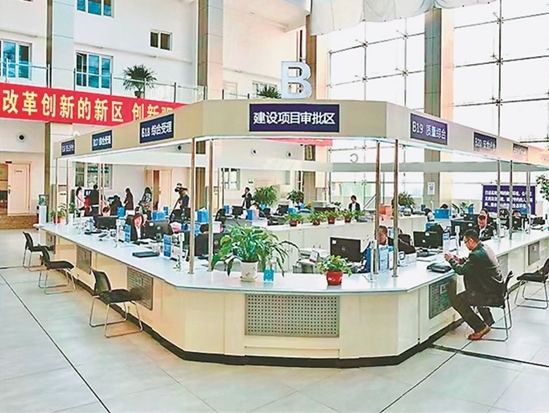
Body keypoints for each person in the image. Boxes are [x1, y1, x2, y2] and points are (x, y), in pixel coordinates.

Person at [444, 229, 504, 341]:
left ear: (471, 240)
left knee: (458, 300)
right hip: (496, 289)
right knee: (474, 291)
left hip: (489, 293)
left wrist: (451, 260)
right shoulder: (484, 248)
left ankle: (480, 327)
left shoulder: (475, 255)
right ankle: (488, 321)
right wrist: (460, 260)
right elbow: (473, 263)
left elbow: (461, 271)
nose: (465, 245)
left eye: (465, 242)